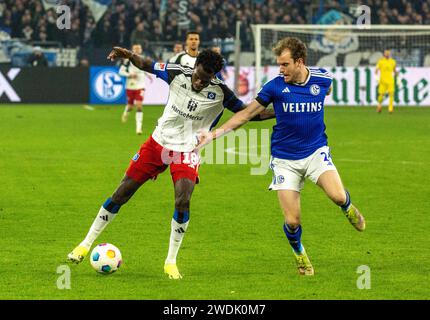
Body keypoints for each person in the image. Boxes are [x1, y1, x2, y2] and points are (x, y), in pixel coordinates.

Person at [67, 48, 272, 279]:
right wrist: (128, 55)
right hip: (157, 143)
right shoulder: (177, 73)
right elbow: (147, 64)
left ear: (213, 76)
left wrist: (279, 111)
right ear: (195, 67)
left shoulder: (221, 92)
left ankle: (170, 262)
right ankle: (85, 244)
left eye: (205, 80)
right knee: (121, 193)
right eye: (197, 76)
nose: (199, 82)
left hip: (186, 150)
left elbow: (249, 114)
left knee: (182, 200)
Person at [197, 37, 365, 276]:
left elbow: (327, 88)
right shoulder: (275, 86)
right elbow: (245, 115)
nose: (281, 69)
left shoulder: (322, 78)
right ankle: (300, 254)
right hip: (285, 160)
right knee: (293, 221)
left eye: (285, 64)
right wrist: (213, 135)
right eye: (279, 64)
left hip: (316, 151)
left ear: (299, 62)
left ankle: (348, 208)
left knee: (338, 196)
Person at [118, 44, 153, 135]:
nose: (137, 50)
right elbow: (121, 71)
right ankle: (126, 112)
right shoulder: (127, 60)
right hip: (130, 85)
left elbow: (144, 69)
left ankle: (138, 128)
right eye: (135, 49)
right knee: (130, 106)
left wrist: (148, 75)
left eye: (139, 48)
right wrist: (129, 75)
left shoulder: (143, 59)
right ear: (132, 50)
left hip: (140, 86)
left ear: (141, 50)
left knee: (139, 105)